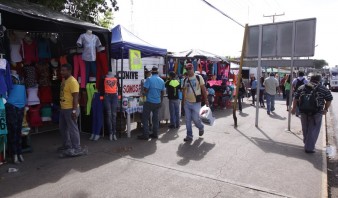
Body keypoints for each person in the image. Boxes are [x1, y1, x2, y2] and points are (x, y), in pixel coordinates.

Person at [291, 74, 333, 153]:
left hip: (303, 111)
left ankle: (307, 144)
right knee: (313, 130)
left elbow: (295, 98)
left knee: (305, 128)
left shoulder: (302, 87)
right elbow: (329, 99)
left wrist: (293, 109)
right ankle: (309, 148)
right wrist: (326, 109)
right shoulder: (323, 88)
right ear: (319, 80)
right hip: (316, 112)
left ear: (310, 79)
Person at [58, 64, 87, 157]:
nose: (61, 72)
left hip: (71, 109)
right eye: (61, 70)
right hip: (64, 108)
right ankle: (67, 146)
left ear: (69, 71)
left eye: (64, 70)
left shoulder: (73, 81)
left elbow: (76, 97)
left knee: (73, 129)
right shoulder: (64, 80)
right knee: (63, 128)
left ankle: (77, 148)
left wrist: (74, 111)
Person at [182, 63, 209, 142]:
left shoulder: (198, 77)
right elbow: (184, 92)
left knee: (195, 119)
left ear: (193, 68)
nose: (189, 70)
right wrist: (183, 103)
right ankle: (189, 136)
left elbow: (203, 89)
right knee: (187, 120)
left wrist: (206, 100)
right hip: (187, 103)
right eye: (187, 69)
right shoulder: (185, 80)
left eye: (190, 68)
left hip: (196, 103)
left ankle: (201, 127)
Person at [138, 66, 165, 140]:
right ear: (157, 72)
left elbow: (145, 90)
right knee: (155, 119)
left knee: (145, 118)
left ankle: (146, 135)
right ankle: (155, 134)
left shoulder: (149, 79)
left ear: (151, 72)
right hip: (158, 102)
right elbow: (162, 92)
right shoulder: (162, 80)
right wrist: (161, 101)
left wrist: (142, 95)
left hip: (149, 102)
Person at [103, 72, 118, 141]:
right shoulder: (105, 79)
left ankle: (113, 133)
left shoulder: (107, 78)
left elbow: (118, 87)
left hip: (112, 96)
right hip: (108, 96)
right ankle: (111, 133)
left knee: (113, 115)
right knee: (110, 115)